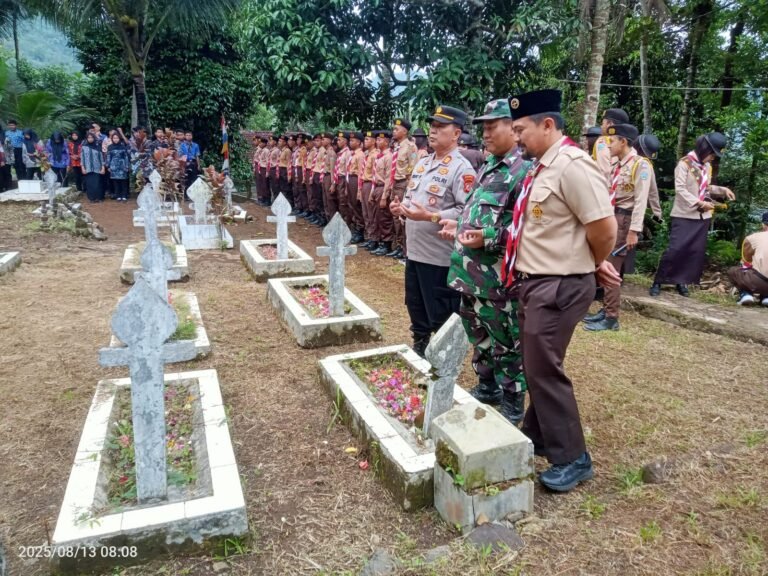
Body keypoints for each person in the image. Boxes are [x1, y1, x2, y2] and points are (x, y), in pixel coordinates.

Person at [498, 89, 618, 491]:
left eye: (521, 130)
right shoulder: (541, 167)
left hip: (560, 284)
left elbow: (603, 229)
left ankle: (573, 457)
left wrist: (591, 261)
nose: (516, 138)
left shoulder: (573, 167)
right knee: (537, 365)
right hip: (536, 282)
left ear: (547, 125)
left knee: (544, 369)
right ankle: (537, 435)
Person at [439, 98, 531, 424]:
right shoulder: (489, 164)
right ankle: (487, 384)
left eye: (493, 126)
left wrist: (488, 237)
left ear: (514, 128)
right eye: (484, 127)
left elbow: (529, 228)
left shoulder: (525, 171)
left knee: (505, 338)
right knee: (477, 331)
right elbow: (477, 210)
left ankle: (513, 398)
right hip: (469, 272)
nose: (486, 133)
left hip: (498, 278)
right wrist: (459, 224)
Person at [390, 105, 475, 356]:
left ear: (457, 133)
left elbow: (467, 213)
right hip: (415, 251)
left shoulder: (462, 169)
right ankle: (420, 345)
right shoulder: (423, 164)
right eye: (432, 126)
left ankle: (444, 356)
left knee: (440, 310)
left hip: (439, 257)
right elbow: (413, 199)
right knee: (416, 305)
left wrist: (430, 216)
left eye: (440, 127)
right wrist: (401, 208)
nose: (433, 131)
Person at [584, 124, 651, 332]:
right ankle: (606, 309)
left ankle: (611, 316)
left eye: (612, 141)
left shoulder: (641, 165)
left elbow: (641, 200)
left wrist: (634, 230)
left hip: (625, 219)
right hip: (613, 214)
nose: (608, 144)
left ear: (623, 142)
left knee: (611, 265)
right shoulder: (617, 164)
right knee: (606, 261)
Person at [650, 132, 735, 296]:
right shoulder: (684, 164)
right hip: (684, 214)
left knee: (692, 251)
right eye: (712, 154)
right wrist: (698, 202)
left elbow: (706, 187)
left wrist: (723, 190)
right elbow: (680, 189)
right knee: (675, 249)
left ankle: (681, 282)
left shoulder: (706, 166)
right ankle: (659, 281)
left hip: (702, 217)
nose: (712, 158)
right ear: (704, 149)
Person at [387, 118, 419, 259]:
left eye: (396, 129)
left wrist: (408, 189)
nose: (393, 131)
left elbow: (413, 169)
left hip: (403, 184)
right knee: (394, 216)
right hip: (394, 183)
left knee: (401, 217)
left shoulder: (410, 147)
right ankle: (398, 245)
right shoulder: (396, 146)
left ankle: (404, 248)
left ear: (405, 131)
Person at [729, 212, 768, 306]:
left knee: (735, 271)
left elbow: (746, 261)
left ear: (763, 224)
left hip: (759, 281)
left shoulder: (753, 238)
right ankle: (766, 297)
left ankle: (746, 294)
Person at [370, 131, 394, 255]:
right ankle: (378, 241)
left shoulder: (388, 157)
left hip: (383, 188)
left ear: (386, 142)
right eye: (377, 139)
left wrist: (384, 196)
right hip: (376, 187)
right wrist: (371, 192)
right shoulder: (379, 156)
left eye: (380, 140)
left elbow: (389, 177)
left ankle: (387, 244)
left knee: (384, 217)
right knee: (376, 216)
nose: (377, 141)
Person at [593, 108, 630, 181]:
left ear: (609, 124)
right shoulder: (627, 142)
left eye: (602, 123)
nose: (601, 126)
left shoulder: (603, 142)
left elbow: (604, 171)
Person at [346, 131, 367, 243]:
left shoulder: (360, 155)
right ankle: (355, 229)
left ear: (359, 142)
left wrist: (359, 189)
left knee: (356, 206)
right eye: (350, 140)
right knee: (351, 205)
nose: (350, 142)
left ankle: (360, 231)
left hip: (355, 180)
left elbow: (360, 172)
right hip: (350, 179)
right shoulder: (352, 154)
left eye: (353, 140)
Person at [106, 132, 131, 201]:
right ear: (112, 139)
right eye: (114, 138)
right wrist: (108, 166)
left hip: (122, 166)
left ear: (119, 139)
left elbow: (126, 157)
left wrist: (127, 166)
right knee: (116, 181)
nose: (115, 139)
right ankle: (118, 195)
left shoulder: (123, 147)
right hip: (113, 166)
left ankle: (124, 194)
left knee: (124, 181)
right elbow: (108, 157)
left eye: (117, 138)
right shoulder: (110, 147)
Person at [310, 133, 328, 226]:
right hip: (315, 174)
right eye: (315, 141)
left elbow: (323, 166)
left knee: (320, 198)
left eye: (318, 140)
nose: (316, 142)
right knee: (315, 197)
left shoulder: (324, 151)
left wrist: (320, 177)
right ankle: (318, 216)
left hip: (320, 175)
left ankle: (322, 218)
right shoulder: (316, 151)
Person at [81, 132, 105, 202]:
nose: (90, 139)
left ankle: (99, 197)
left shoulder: (98, 147)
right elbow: (82, 158)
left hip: (97, 168)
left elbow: (101, 158)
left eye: (91, 137)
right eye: (89, 138)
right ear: (86, 139)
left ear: (94, 138)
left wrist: (103, 167)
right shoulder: (84, 147)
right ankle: (91, 198)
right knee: (90, 184)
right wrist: (83, 167)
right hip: (88, 168)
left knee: (98, 183)